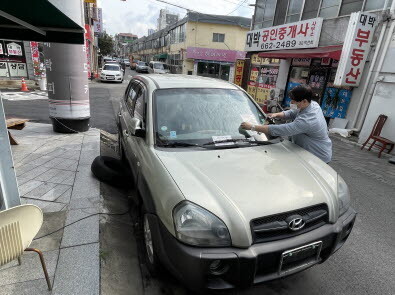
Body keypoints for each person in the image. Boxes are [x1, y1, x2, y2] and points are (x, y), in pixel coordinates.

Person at [240, 85, 332, 163]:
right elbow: (293, 112)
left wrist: (252, 127)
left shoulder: (308, 121)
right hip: (305, 153)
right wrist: (276, 114)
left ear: (304, 101)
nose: (291, 102)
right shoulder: (312, 104)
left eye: (294, 101)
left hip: (317, 157)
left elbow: (281, 130)